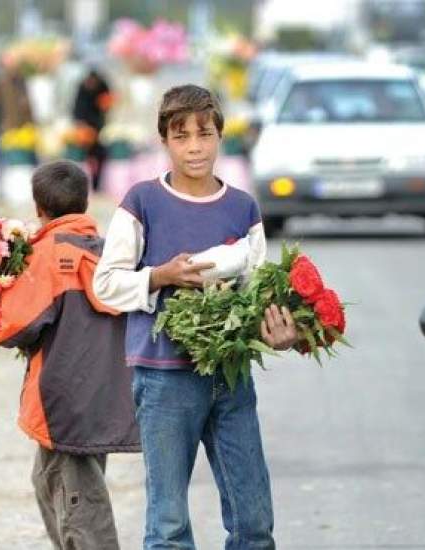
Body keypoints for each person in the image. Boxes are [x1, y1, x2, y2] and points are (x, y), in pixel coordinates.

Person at [93, 85, 298, 549]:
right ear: (164, 140)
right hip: (165, 379)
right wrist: (161, 276)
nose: (194, 147)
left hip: (230, 376)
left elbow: (257, 290)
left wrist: (282, 333)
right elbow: (104, 284)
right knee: (167, 526)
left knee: (254, 522)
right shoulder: (143, 201)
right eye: (181, 136)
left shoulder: (242, 207)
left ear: (220, 136)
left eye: (204, 134)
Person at [0, 161, 140, 549]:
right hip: (102, 397)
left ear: (39, 208)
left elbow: (14, 326)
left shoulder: (46, 257)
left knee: (79, 504)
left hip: (62, 401)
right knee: (52, 483)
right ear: (85, 202)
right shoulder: (106, 253)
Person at [72, 69, 112, 191]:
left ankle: (97, 185)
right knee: (84, 159)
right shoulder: (82, 90)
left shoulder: (103, 88)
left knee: (100, 158)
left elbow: (107, 106)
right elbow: (77, 110)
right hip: (85, 130)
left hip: (100, 129)